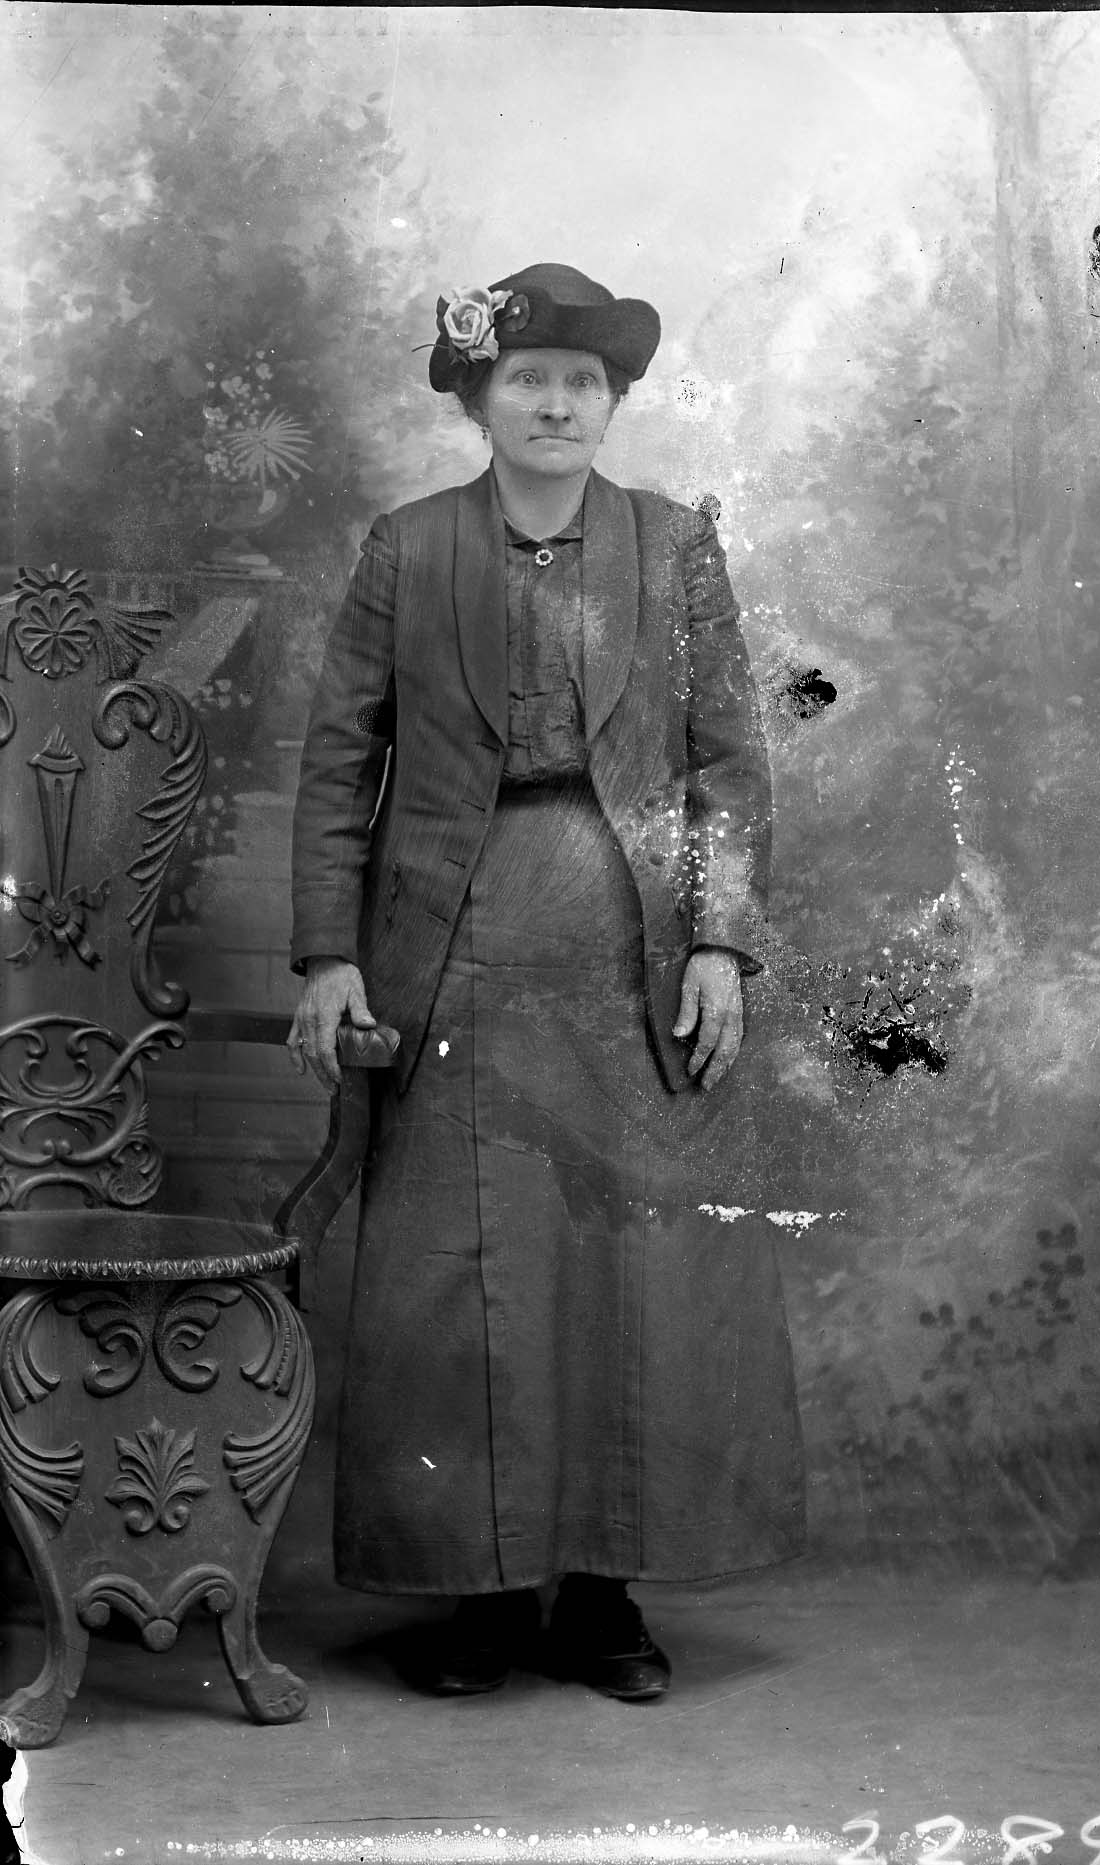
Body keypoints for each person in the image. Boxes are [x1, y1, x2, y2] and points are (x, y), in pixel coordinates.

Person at [288, 262, 806, 1703]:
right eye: (529, 379)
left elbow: (728, 760)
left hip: (630, 953)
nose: (559, 404)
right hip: (449, 953)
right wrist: (329, 954)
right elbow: (339, 764)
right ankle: (475, 1593)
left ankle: (601, 1598)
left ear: (615, 402)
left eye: (586, 382)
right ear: (480, 399)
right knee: (465, 1275)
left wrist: (720, 939)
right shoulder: (407, 549)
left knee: (625, 1274)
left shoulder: (675, 545)